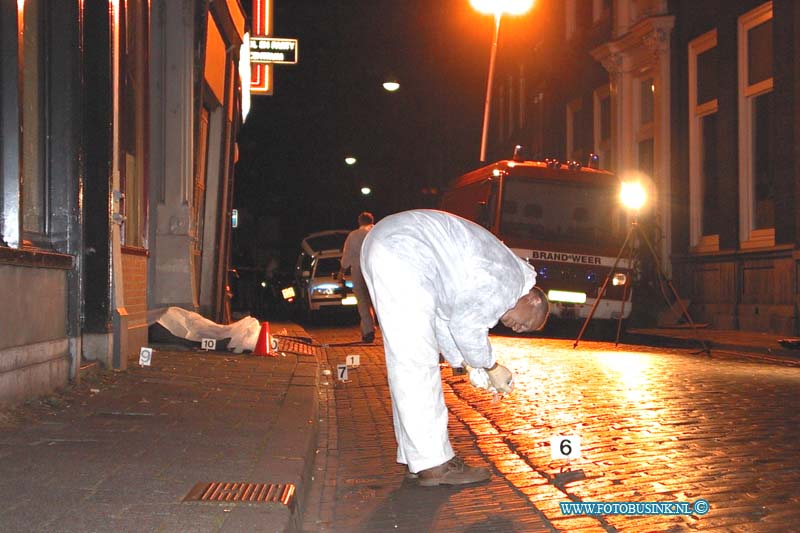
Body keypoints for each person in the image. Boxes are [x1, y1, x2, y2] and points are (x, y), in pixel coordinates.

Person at [360, 209, 549, 487]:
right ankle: (434, 466)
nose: (516, 329)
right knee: (418, 366)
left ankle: (418, 458)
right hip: (405, 251)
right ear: (532, 300)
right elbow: (467, 326)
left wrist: (466, 364)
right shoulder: (508, 280)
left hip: (388, 245)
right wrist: (491, 366)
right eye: (525, 325)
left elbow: (445, 321)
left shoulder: (497, 269)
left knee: (408, 361)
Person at [340, 211, 377, 342]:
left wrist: (342, 271)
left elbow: (347, 255)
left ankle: (368, 331)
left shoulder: (354, 235)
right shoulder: (377, 232)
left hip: (358, 270)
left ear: (360, 221)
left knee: (363, 302)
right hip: (376, 270)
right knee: (379, 300)